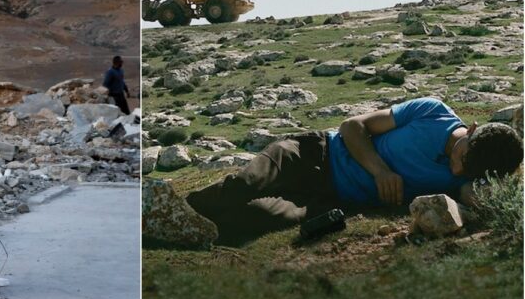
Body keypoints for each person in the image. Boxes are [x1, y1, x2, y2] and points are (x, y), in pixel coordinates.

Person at [157, 97, 523, 243]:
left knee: (256, 219)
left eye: (467, 169)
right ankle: (162, 214)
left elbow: (479, 197)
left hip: (328, 198)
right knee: (245, 182)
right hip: (313, 150)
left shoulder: (469, 174)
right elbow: (352, 126)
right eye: (462, 155)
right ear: (471, 130)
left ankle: (179, 236)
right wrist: (380, 171)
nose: (457, 167)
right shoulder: (433, 111)